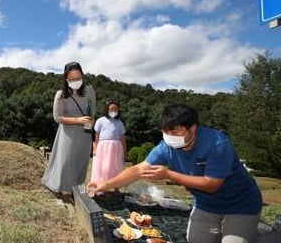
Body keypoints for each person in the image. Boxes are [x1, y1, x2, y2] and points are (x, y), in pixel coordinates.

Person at [87, 103, 262, 243]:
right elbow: (138, 169)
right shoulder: (166, 147)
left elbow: (212, 184)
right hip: (205, 205)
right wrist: (106, 184)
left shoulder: (217, 144)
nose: (168, 136)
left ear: (192, 128)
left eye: (174, 131)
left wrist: (169, 175)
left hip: (240, 205)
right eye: (164, 131)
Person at [42, 61, 96, 204]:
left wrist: (91, 122)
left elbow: (93, 110)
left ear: (82, 75)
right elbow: (57, 117)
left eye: (77, 78)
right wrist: (78, 120)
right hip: (68, 133)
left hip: (84, 134)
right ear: (66, 79)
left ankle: (75, 191)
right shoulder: (60, 95)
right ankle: (58, 188)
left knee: (80, 163)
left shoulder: (89, 90)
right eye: (71, 79)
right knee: (65, 163)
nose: (75, 81)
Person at [90, 99, 126, 190]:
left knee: (116, 167)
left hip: (116, 148)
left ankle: (116, 188)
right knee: (102, 168)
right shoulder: (100, 121)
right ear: (107, 109)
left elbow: (123, 138)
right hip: (103, 147)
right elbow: (96, 136)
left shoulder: (120, 123)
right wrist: (94, 148)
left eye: (116, 109)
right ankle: (99, 187)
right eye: (111, 109)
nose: (113, 111)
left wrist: (125, 152)